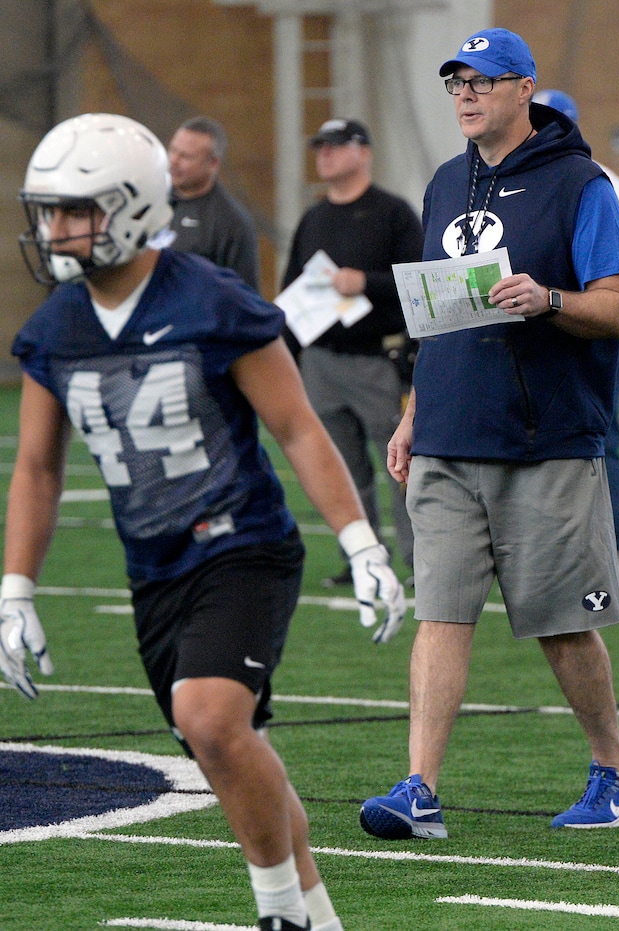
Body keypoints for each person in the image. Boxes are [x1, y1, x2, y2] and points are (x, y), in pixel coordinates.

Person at [0, 112, 406, 931]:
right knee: (228, 749)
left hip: (243, 547)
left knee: (209, 718)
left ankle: (279, 913)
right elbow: (38, 466)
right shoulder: (56, 329)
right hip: (153, 571)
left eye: (76, 210)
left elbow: (297, 426)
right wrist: (15, 587)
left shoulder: (211, 300)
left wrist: (360, 543)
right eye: (48, 212)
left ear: (134, 206)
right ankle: (322, 919)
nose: (55, 231)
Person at [359, 28, 619, 839]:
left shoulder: (580, 184)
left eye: (482, 82)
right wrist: (416, 415)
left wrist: (549, 299)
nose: (465, 95)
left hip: (546, 441)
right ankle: (419, 787)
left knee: (562, 623)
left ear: (525, 89)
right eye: (456, 83)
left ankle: (614, 771)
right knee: (441, 613)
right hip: (450, 438)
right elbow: (434, 319)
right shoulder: (446, 183)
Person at [281, 119, 425, 586]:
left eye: (336, 146)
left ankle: (420, 563)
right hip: (321, 361)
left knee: (400, 465)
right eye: (320, 146)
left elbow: (419, 281)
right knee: (341, 467)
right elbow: (290, 289)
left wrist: (365, 282)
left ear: (363, 152)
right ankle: (365, 559)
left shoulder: (392, 212)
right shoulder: (314, 217)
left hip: (376, 361)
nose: (324, 154)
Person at [532, 89, 619, 595]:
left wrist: (578, 294)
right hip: (544, 325)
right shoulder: (528, 180)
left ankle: (618, 556)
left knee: (603, 437)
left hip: (595, 327)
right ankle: (549, 557)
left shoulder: (602, 184)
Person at [167, 115, 260, 289]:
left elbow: (245, 297)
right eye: (173, 150)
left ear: (213, 163)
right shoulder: (150, 201)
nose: (174, 161)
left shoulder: (232, 224)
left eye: (186, 156)